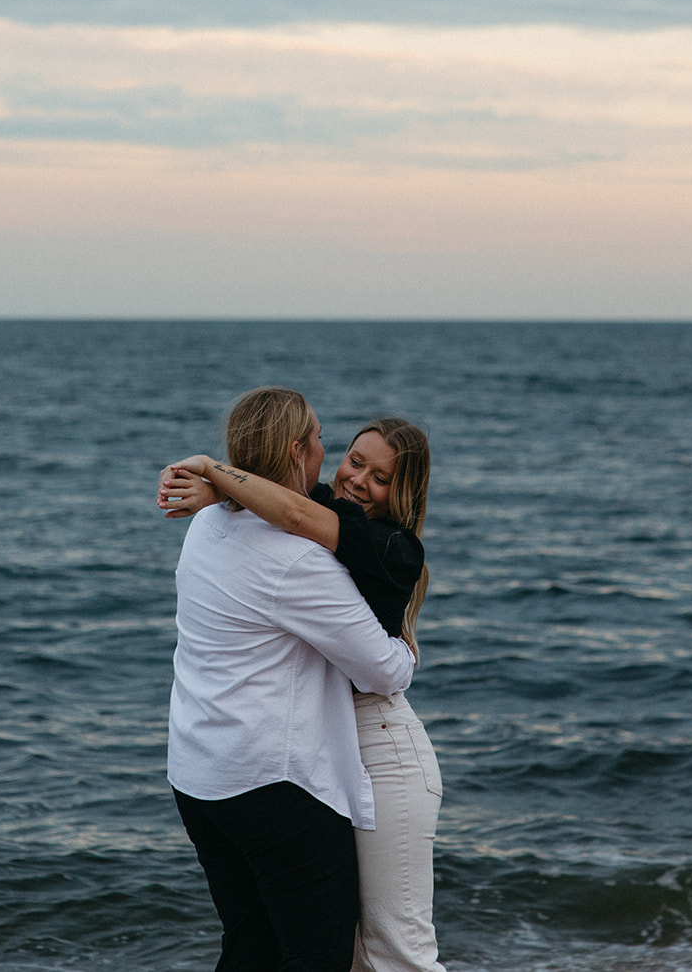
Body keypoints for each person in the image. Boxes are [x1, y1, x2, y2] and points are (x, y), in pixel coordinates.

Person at [160, 415, 446, 972]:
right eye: (354, 460)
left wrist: (211, 470)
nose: (358, 479)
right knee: (342, 952)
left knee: (396, 949)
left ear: (403, 493)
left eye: (381, 477)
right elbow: (281, 497)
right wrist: (220, 489)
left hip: (384, 739)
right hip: (332, 737)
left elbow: (289, 510)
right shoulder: (317, 510)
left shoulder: (389, 545)